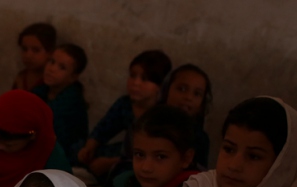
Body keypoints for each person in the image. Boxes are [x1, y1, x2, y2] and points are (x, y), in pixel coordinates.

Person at [77, 50, 171, 178]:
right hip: (124, 152)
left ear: (160, 86)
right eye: (132, 76)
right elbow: (103, 129)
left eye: (144, 79)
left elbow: (152, 153)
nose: (136, 83)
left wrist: (110, 163)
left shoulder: (162, 114)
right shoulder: (125, 104)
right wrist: (88, 148)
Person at [31, 43, 88, 164]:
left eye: (62, 67)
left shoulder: (71, 101)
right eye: (51, 61)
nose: (52, 69)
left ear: (73, 77)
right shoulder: (41, 90)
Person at [161, 64, 213, 169]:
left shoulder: (200, 139)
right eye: (182, 89)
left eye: (197, 94)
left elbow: (198, 175)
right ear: (167, 91)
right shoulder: (146, 125)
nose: (188, 97)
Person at [12, 23, 56, 91]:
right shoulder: (21, 78)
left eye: (36, 50)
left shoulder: (52, 81)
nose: (28, 56)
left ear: (50, 52)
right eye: (24, 49)